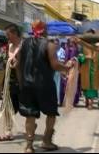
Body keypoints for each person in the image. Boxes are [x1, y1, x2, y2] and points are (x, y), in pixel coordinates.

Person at [18, 20, 72, 153]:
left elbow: (18, 64)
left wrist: (21, 82)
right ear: (45, 30)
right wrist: (67, 67)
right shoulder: (50, 45)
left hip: (27, 84)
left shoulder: (23, 44)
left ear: (32, 28)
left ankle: (29, 146)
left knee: (30, 115)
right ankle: (46, 142)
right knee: (51, 113)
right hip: (45, 84)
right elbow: (55, 65)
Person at [0, 24, 22, 142]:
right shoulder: (9, 46)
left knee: (26, 108)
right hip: (9, 81)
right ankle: (8, 132)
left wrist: (18, 64)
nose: (7, 37)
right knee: (8, 106)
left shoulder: (24, 46)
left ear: (15, 33)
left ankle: (31, 127)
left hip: (21, 81)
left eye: (8, 35)